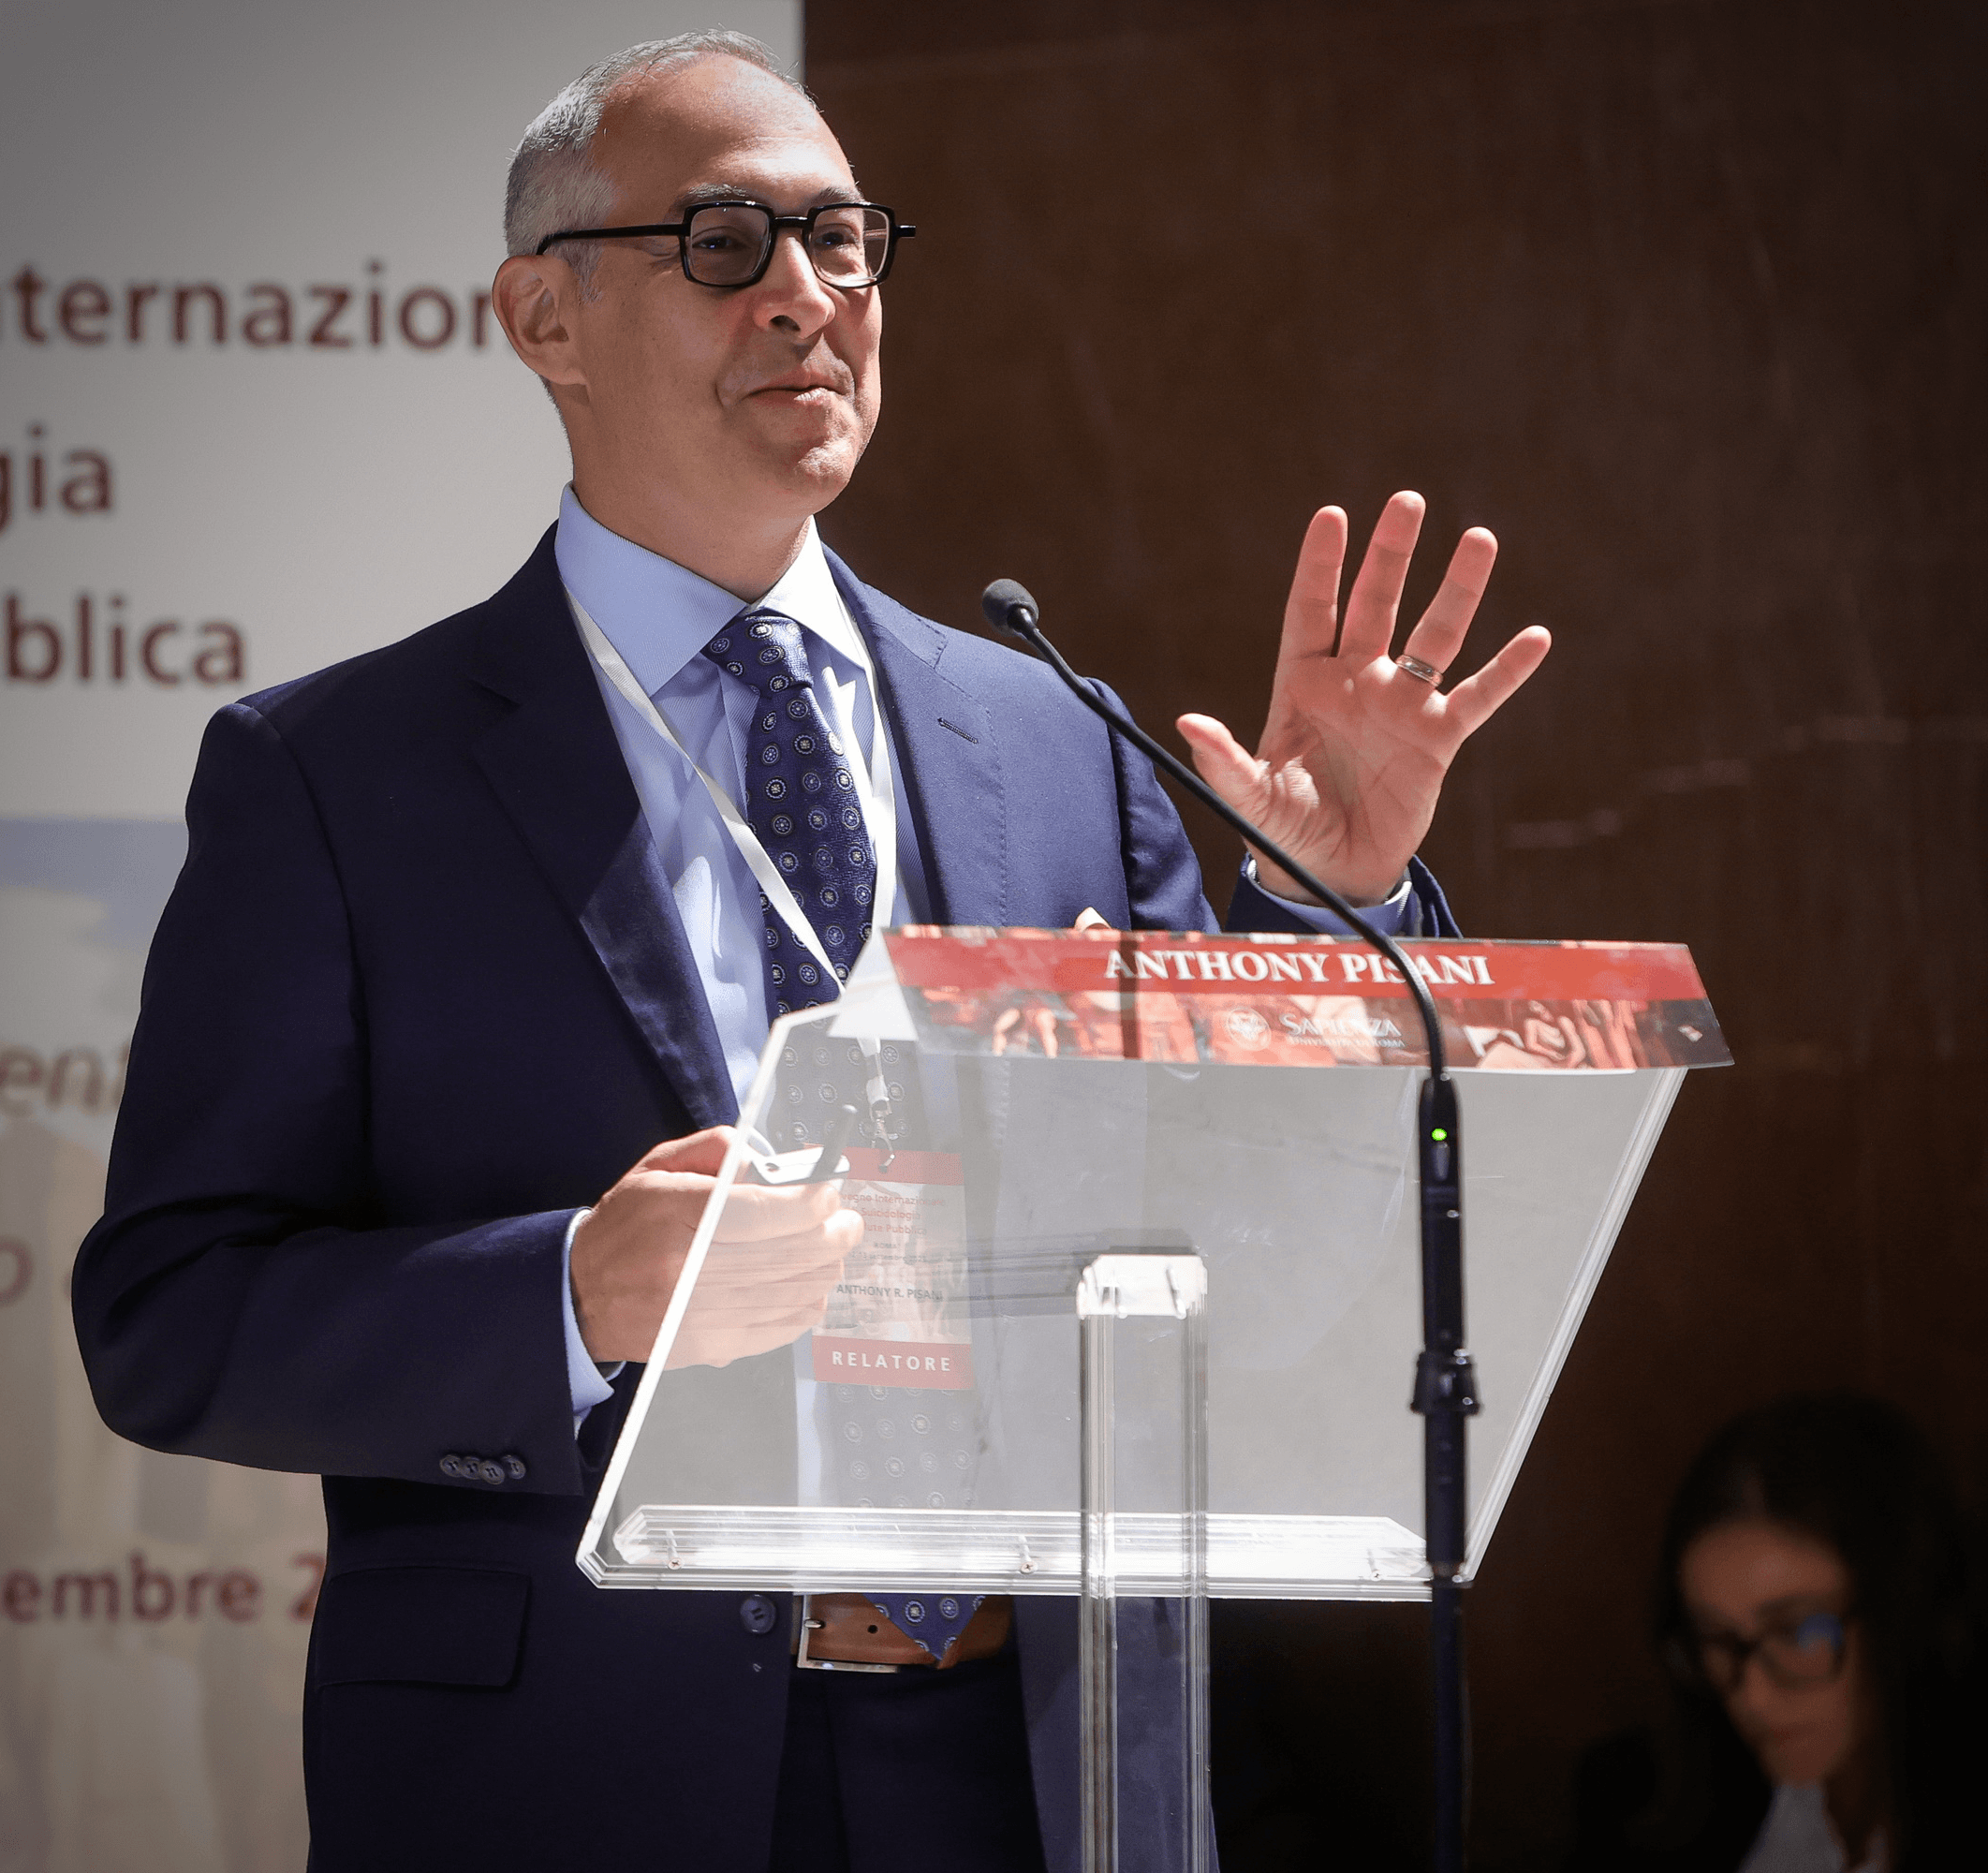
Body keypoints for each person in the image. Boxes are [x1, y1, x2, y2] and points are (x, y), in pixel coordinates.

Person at [71, 31, 1549, 1873]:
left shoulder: (1059, 739)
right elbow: (169, 1318)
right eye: (722, 243)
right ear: (542, 318)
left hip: (1027, 1766)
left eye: (842, 240)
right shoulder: (335, 779)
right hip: (573, 1779)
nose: (805, 296)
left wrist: (1326, 910)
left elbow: (1258, 1231)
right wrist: (568, 1294)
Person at [1568, 1394, 1981, 1873]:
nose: (1753, 1699)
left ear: (1901, 1610)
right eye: (1717, 1639)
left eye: (1796, 1632)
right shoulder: (1636, 1803)